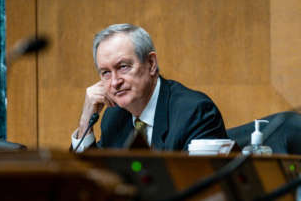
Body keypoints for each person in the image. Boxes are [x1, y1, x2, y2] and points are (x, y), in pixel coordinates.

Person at [72, 24, 227, 152]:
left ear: (151, 64)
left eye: (123, 67)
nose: (114, 82)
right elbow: (91, 177)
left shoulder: (194, 112)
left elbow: (200, 183)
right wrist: (85, 121)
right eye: (106, 72)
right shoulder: (114, 116)